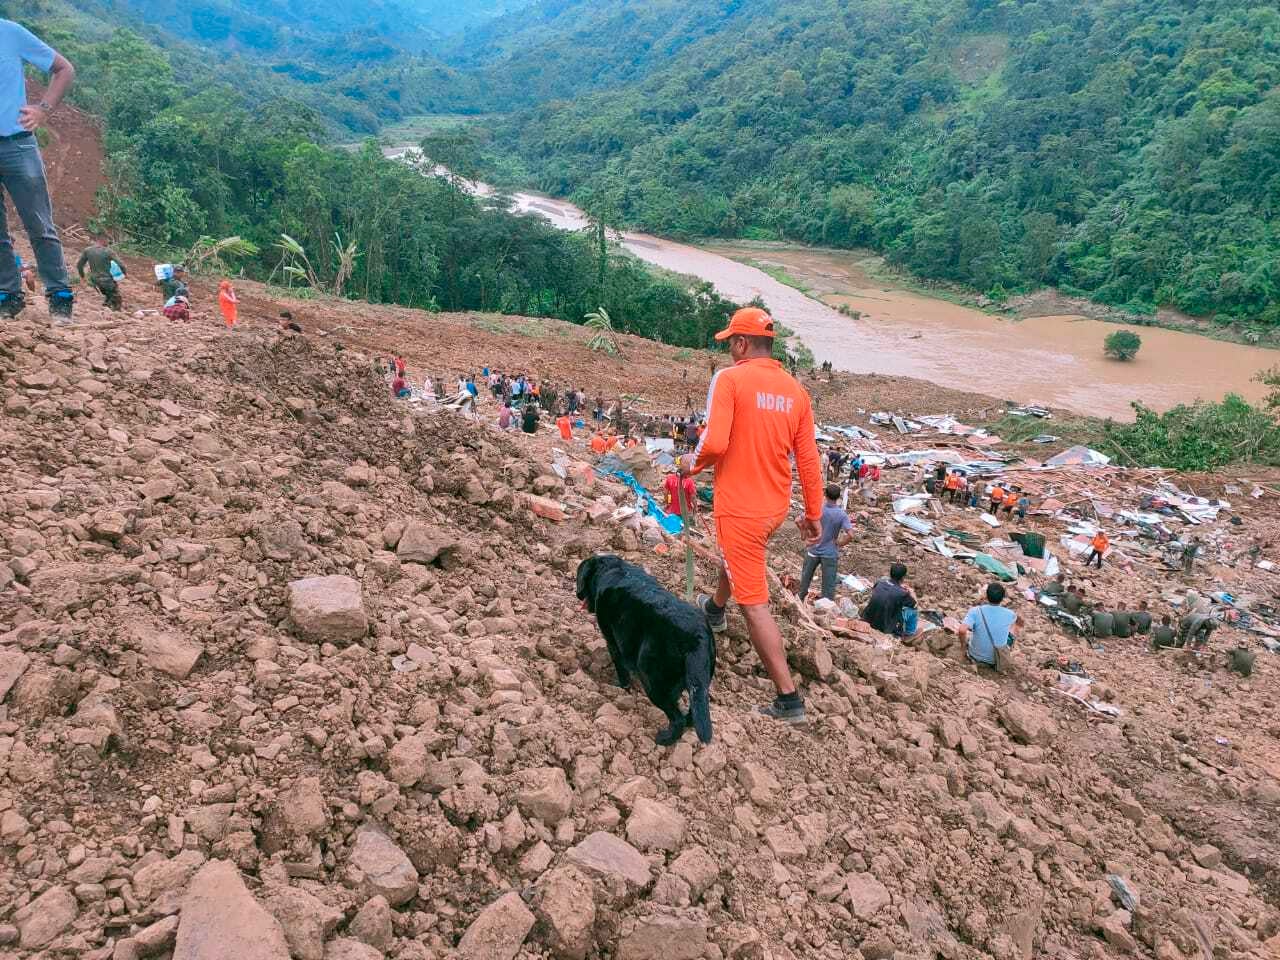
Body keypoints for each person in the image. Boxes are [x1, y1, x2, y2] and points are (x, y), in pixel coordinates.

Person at [677, 307, 824, 724]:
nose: (728, 353)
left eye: (730, 345)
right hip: (773, 508)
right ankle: (714, 609)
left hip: (739, 508)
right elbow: (809, 460)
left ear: (741, 344)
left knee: (754, 601)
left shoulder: (731, 380)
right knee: (740, 559)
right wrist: (813, 512)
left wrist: (693, 463)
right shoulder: (795, 391)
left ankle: (788, 697)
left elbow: (716, 441)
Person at [0, 20, 75, 321]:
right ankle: (8, 296)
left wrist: (43, 109)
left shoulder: (10, 32)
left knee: (40, 226)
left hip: (18, 145)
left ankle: (60, 297)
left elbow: (64, 69)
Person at [797, 484, 854, 603]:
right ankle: (826, 608)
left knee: (805, 579)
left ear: (825, 495)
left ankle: (799, 600)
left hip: (813, 550)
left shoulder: (817, 509)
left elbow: (798, 520)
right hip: (830, 553)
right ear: (838, 497)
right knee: (828, 584)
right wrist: (840, 543)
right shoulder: (841, 514)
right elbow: (851, 534)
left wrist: (805, 533)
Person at [960, 582, 1021, 669]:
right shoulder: (1011, 614)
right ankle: (1008, 650)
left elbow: (962, 630)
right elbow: (1015, 628)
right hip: (997, 658)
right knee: (1010, 632)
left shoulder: (975, 611)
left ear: (986, 595)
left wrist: (963, 646)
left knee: (972, 633)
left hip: (975, 656)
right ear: (1003, 598)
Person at [862, 563, 918, 636]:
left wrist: (899, 587)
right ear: (903, 577)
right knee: (912, 610)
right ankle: (909, 633)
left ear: (890, 573)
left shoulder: (880, 583)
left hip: (868, 620)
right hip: (885, 627)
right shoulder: (902, 593)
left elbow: (888, 591)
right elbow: (915, 605)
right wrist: (912, 593)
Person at [75, 237, 125, 309]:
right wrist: (124, 273)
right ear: (103, 240)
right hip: (107, 280)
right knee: (116, 299)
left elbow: (79, 265)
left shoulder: (88, 250)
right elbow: (121, 264)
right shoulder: (108, 251)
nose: (109, 243)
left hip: (95, 280)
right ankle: (115, 313)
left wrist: (82, 276)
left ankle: (107, 305)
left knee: (107, 294)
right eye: (108, 241)